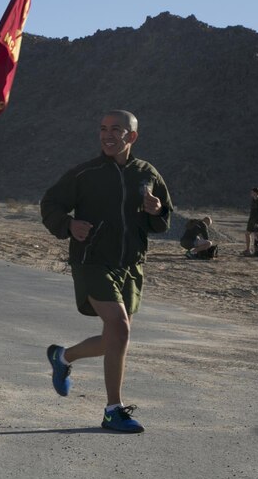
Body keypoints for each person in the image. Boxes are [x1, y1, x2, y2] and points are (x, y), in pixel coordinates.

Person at [41, 110, 172, 434]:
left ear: (132, 136)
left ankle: (63, 356)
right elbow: (50, 205)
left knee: (113, 337)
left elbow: (162, 220)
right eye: (102, 129)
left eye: (116, 129)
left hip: (130, 266)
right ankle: (113, 410)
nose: (108, 135)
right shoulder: (86, 174)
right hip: (92, 261)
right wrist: (69, 224)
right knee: (120, 328)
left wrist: (157, 211)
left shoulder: (147, 173)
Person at [243, 188, 258, 256]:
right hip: (251, 220)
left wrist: (257, 223)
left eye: (252, 192)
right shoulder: (253, 200)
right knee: (247, 233)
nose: (251, 193)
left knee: (257, 236)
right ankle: (248, 250)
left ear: (256, 193)